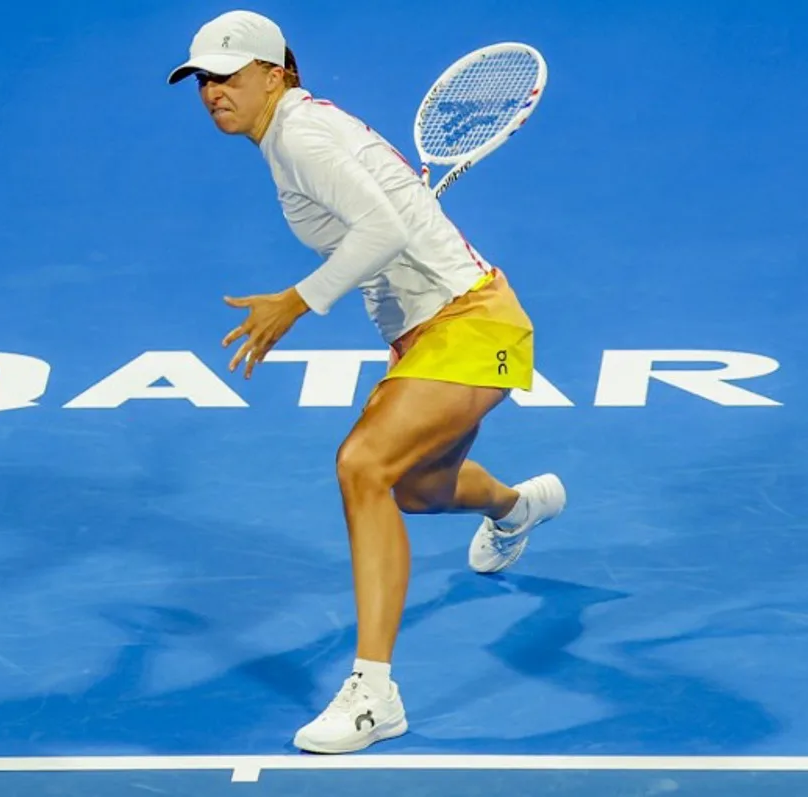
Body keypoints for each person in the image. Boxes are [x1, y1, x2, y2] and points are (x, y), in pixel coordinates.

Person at [167, 10, 566, 755]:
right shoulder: (294, 134)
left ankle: (374, 692)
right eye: (202, 80)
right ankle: (517, 507)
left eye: (229, 75)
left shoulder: (300, 133)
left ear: (277, 73)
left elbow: (382, 232)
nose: (213, 91)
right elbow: (382, 226)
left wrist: (296, 300)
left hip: (473, 321)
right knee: (415, 488)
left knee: (362, 465)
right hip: (433, 330)